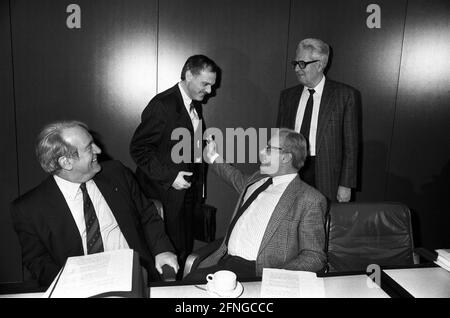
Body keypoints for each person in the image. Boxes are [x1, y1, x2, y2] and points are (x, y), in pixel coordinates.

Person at [11, 121, 179, 286]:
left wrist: (163, 249)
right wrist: (69, 286)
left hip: (135, 274)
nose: (98, 150)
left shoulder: (116, 173)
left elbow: (147, 214)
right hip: (79, 286)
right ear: (66, 162)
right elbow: (38, 261)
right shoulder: (28, 209)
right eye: (89, 147)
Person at [184, 128, 327, 282]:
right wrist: (212, 155)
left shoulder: (309, 199)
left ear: (285, 157)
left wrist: (274, 277)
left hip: (257, 274)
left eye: (268, 148)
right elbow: (233, 176)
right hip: (223, 263)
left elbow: (314, 256)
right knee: (186, 287)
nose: (262, 152)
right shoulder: (258, 179)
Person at [129, 55, 220, 273]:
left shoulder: (193, 103)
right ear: (189, 75)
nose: (209, 91)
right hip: (166, 195)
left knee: (184, 249)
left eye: (211, 85)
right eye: (205, 84)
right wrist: (170, 177)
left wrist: (202, 146)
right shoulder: (162, 105)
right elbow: (139, 149)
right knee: (170, 256)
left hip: (187, 193)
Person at [276, 38, 360, 202]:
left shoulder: (344, 96)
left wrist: (346, 184)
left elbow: (351, 146)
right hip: (292, 170)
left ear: (320, 64)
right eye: (295, 63)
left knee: (323, 222)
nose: (297, 69)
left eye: (302, 63)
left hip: (327, 175)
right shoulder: (288, 96)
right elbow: (278, 139)